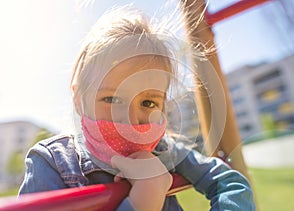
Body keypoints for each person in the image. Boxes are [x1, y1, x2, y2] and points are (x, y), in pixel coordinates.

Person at [19, 6, 256, 211]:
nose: (130, 120)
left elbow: (228, 180)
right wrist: (145, 198)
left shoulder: (166, 150)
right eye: (111, 99)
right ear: (79, 98)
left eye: (148, 103)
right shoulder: (52, 162)